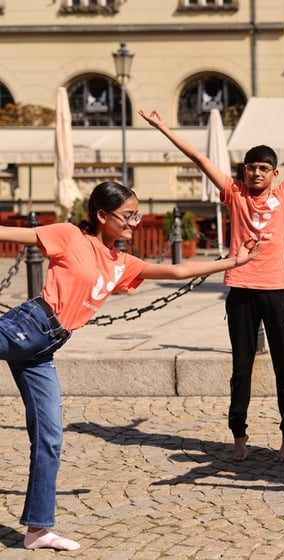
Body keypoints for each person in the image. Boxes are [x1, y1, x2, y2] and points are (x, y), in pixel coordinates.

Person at [0, 181, 259, 551]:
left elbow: (177, 271)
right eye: (128, 215)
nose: (134, 222)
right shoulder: (69, 236)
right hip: (28, 326)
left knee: (50, 436)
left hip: (45, 348)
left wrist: (234, 262)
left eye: (136, 214)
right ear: (102, 216)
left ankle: (38, 530)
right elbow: (10, 233)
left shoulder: (120, 263)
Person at [140, 100, 284, 462]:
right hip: (242, 292)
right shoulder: (234, 194)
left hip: (280, 294)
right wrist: (163, 129)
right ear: (243, 171)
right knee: (241, 369)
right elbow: (201, 160)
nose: (257, 174)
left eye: (264, 168)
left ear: (275, 173)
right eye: (251, 168)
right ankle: (239, 436)